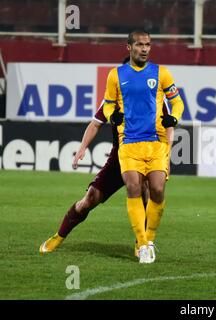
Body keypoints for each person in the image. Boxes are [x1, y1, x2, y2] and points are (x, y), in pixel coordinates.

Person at [39, 57, 174, 257]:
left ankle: (142, 242)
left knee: (148, 191)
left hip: (147, 154)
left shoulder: (156, 98)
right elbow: (95, 124)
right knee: (90, 198)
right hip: (120, 157)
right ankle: (58, 236)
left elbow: (169, 126)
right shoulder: (114, 98)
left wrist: (166, 155)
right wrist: (83, 147)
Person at [102, 30, 184, 264]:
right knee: (133, 187)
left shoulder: (162, 73)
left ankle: (149, 239)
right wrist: (112, 116)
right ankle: (142, 244)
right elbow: (108, 104)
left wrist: (174, 118)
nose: (145, 49)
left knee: (157, 189)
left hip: (156, 142)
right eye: (139, 45)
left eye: (148, 44)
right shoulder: (115, 75)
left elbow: (176, 101)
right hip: (128, 141)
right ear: (128, 47)